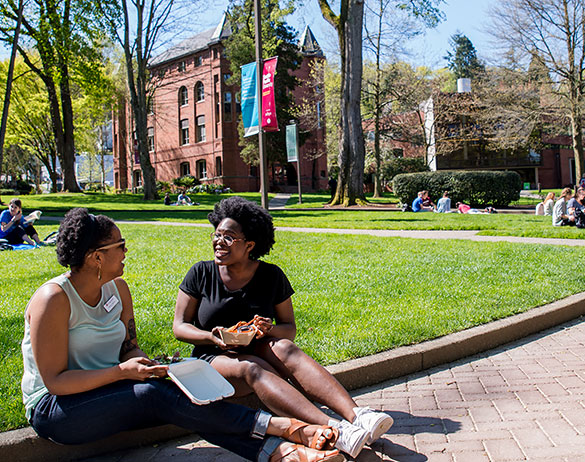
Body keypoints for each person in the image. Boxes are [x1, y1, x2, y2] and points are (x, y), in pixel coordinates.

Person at [21, 208, 344, 462]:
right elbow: (56, 382)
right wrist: (122, 372)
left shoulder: (118, 288)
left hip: (112, 391)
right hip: (57, 409)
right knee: (154, 395)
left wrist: (145, 364)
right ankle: (282, 428)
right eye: (119, 245)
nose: (126, 250)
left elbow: (129, 348)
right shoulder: (54, 299)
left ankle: (279, 452)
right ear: (96, 256)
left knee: (182, 392)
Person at [173, 197, 393, 458]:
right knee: (252, 366)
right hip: (213, 357)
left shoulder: (271, 276)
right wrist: (212, 337)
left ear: (250, 245)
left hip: (260, 348)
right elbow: (180, 327)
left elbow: (289, 329)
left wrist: (269, 330)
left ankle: (358, 416)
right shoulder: (201, 273)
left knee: (285, 347)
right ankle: (335, 429)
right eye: (217, 234)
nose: (219, 242)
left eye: (229, 237)